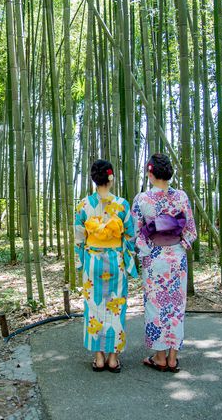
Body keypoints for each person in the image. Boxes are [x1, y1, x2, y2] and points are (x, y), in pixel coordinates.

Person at [131, 153, 196, 373]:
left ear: (150, 173)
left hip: (155, 258)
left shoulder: (142, 200)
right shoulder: (181, 197)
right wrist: (179, 246)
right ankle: (173, 358)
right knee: (177, 306)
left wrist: (148, 250)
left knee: (155, 306)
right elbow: (190, 231)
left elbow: (136, 233)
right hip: (177, 258)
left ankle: (159, 357)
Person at [74, 160, 138, 373]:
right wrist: (126, 256)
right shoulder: (122, 204)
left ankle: (99, 357)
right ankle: (113, 358)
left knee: (93, 306)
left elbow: (79, 238)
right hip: (114, 260)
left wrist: (81, 260)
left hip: (93, 261)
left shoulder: (83, 205)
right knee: (116, 306)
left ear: (94, 179)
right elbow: (130, 234)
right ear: (111, 178)